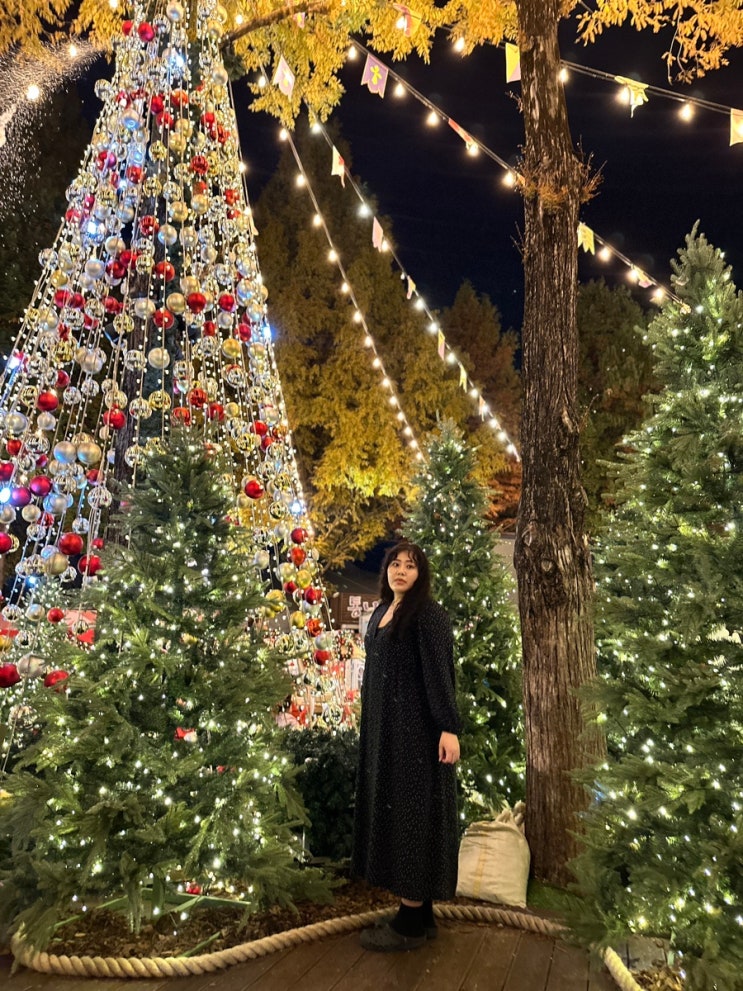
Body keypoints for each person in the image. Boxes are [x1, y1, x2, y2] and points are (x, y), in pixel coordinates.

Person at [352, 540, 461, 952]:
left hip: (416, 735)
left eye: (410, 566)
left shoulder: (428, 616)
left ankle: (409, 924)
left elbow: (440, 673)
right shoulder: (383, 611)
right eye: (395, 564)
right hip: (387, 734)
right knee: (400, 813)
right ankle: (422, 913)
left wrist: (448, 727)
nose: (401, 571)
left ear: (421, 574)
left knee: (414, 816)